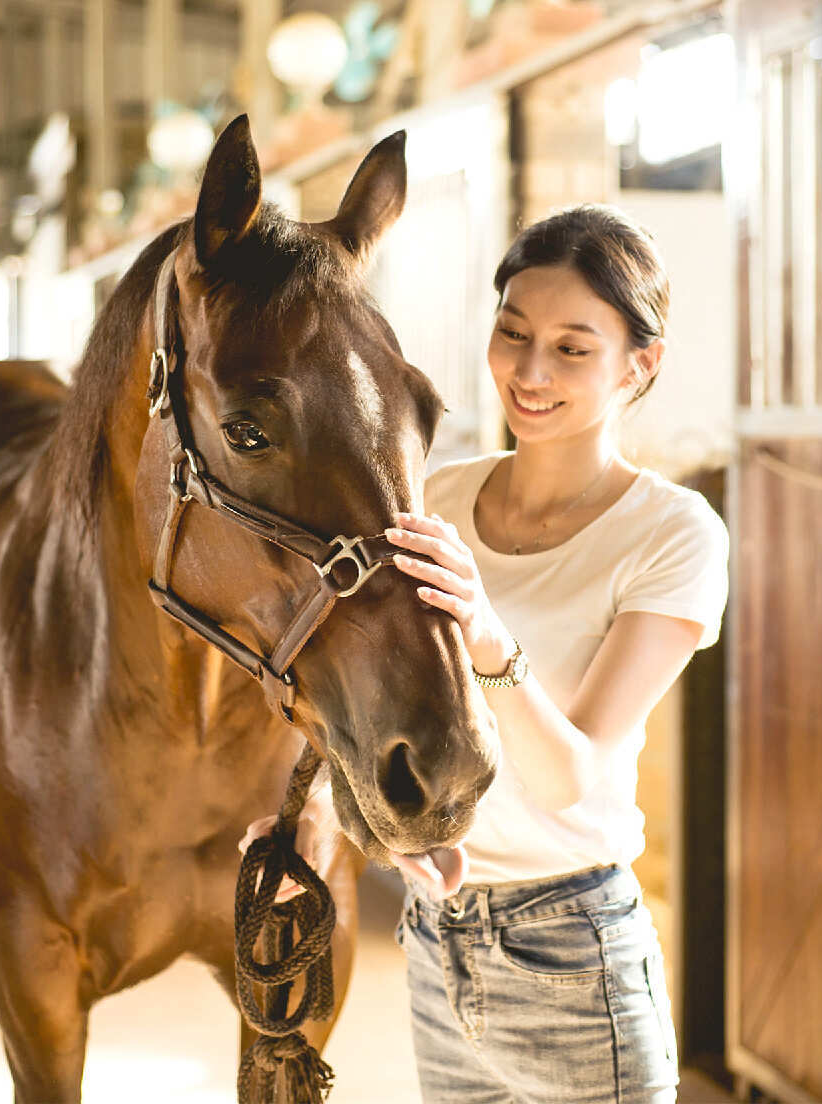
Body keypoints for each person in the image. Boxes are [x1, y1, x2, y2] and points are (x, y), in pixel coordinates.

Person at [247, 204, 728, 1104]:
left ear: (641, 364)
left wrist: (486, 630)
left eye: (572, 348)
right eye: (512, 333)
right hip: (437, 937)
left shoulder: (673, 535)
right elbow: (368, 700)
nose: (530, 371)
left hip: (572, 947)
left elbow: (571, 776)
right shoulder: (433, 497)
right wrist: (337, 819)